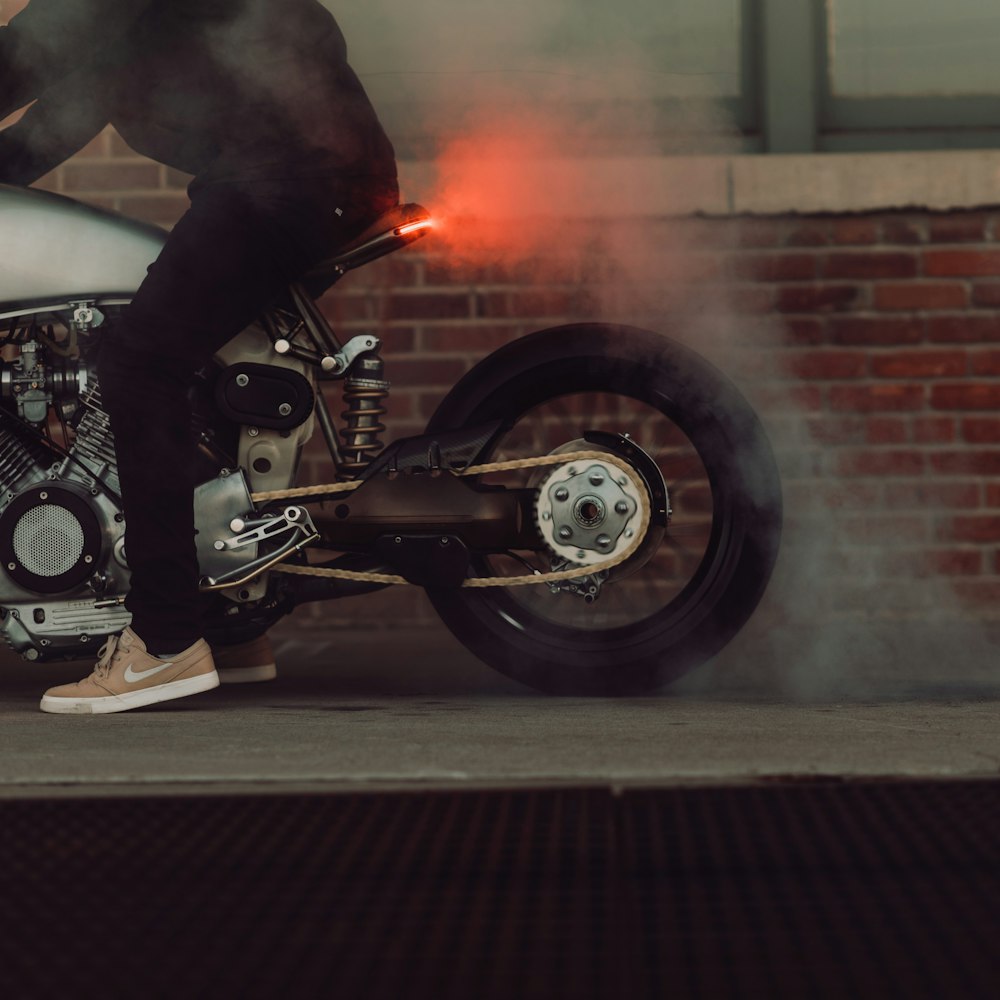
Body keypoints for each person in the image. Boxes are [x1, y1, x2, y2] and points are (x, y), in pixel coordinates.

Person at [0, 0, 399, 713]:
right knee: (187, 366)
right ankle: (226, 619)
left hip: (291, 180)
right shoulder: (122, 30)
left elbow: (26, 54)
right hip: (298, 175)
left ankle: (163, 644)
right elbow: (59, 112)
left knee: (138, 366)